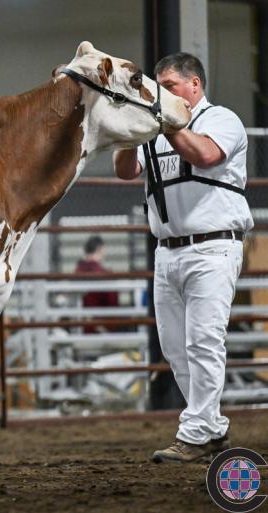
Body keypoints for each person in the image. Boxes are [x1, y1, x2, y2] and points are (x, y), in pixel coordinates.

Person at [113, 52, 252, 463]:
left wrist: (165, 119)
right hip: (167, 250)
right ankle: (209, 428)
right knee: (176, 348)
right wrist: (129, 130)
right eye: (159, 88)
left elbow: (205, 156)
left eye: (169, 87)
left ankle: (194, 433)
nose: (163, 94)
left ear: (195, 85)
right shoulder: (156, 129)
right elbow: (125, 170)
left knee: (204, 341)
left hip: (213, 246)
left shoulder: (221, 120)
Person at [75, 235, 119, 334]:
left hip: (81, 328)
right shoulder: (105, 274)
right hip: (103, 327)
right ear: (99, 250)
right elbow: (112, 302)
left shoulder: (77, 272)